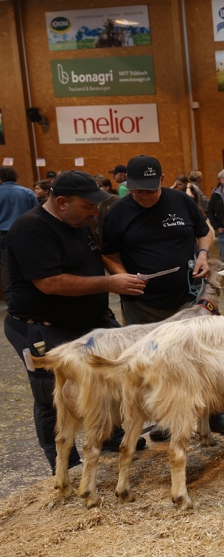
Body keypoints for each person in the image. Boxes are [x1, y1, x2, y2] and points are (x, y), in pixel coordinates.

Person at [4, 171, 148, 473]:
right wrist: (110, 284)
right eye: (87, 206)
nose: (94, 212)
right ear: (61, 202)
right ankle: (65, 463)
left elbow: (95, 258)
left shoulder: (78, 223)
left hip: (89, 321)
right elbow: (50, 283)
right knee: (53, 393)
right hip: (41, 325)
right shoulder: (30, 229)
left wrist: (120, 273)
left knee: (117, 373)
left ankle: (109, 434)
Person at [100, 156, 224, 438]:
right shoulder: (117, 212)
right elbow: (108, 253)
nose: (144, 196)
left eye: (150, 190)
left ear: (162, 181)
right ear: (128, 184)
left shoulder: (181, 201)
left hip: (186, 297)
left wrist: (202, 255)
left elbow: (204, 234)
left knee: (201, 355)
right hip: (144, 302)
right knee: (154, 362)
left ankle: (214, 412)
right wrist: (122, 276)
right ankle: (165, 417)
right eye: (138, 190)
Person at [0, 167, 39, 298]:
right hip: (26, 233)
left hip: (3, 234)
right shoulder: (28, 192)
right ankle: (32, 292)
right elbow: (37, 214)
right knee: (30, 261)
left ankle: (10, 296)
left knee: (6, 265)